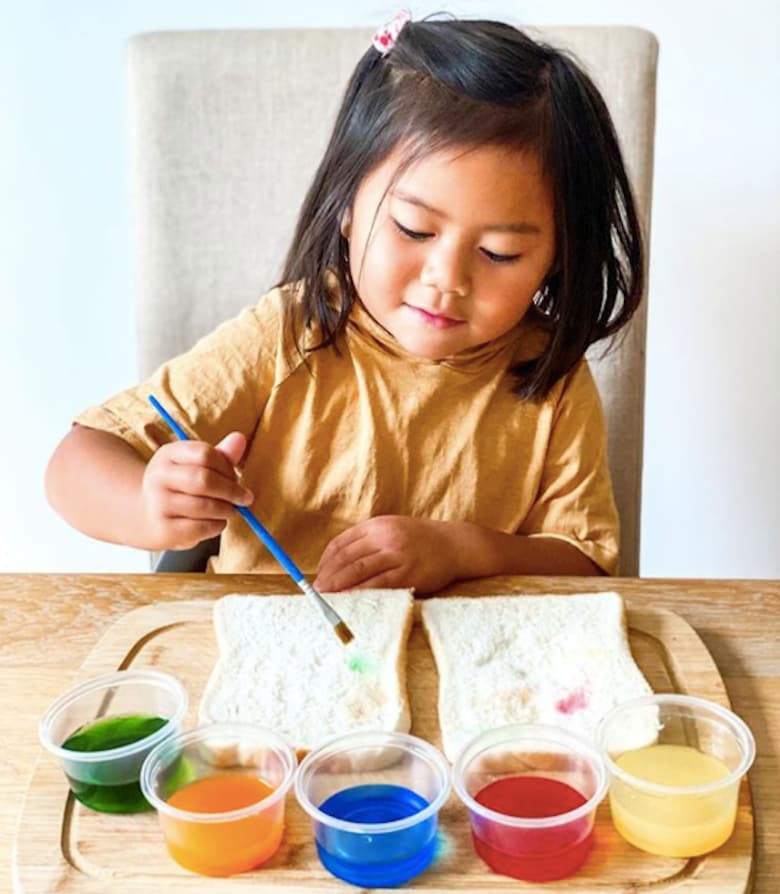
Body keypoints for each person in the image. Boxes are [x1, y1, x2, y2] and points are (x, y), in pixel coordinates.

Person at [45, 11, 644, 593]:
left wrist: (461, 550)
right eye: (413, 229)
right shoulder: (288, 334)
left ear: (557, 256)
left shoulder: (551, 376)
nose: (447, 278)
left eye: (500, 253)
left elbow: (586, 563)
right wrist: (149, 504)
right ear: (348, 209)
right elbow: (77, 462)